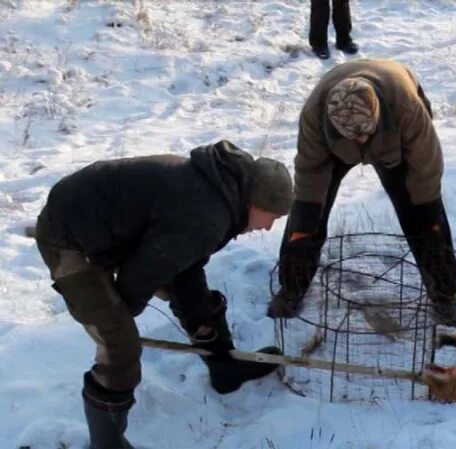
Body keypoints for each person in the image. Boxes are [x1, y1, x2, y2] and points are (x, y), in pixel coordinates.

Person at [34, 140, 293, 449]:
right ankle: (107, 444)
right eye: (273, 217)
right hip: (69, 235)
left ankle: (226, 369)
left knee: (194, 297)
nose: (268, 228)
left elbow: (184, 263)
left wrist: (198, 313)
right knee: (120, 347)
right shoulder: (208, 214)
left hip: (121, 231)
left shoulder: (221, 194)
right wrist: (114, 323)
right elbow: (141, 275)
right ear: (256, 204)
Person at [266, 59, 456, 328]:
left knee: (424, 218)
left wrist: (428, 218)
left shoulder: (407, 108)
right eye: (353, 135)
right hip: (334, 147)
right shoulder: (315, 115)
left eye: (364, 133)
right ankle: (291, 288)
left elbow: (425, 172)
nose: (360, 141)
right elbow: (310, 177)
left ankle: (444, 295)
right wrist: (304, 225)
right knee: (306, 218)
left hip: (392, 140)